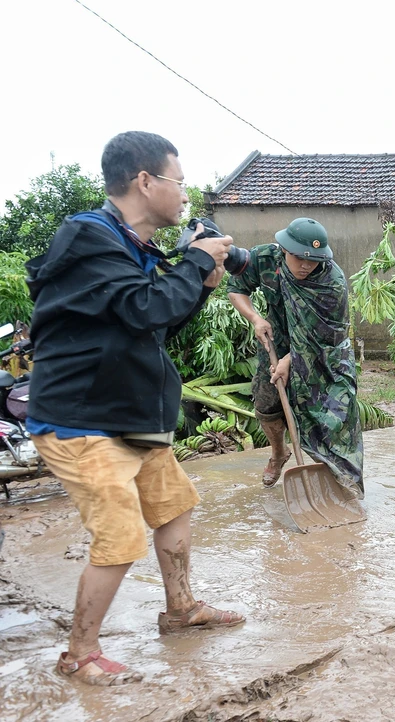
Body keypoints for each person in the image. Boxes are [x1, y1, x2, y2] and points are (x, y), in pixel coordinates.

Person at [24, 131, 244, 686]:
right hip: (82, 419)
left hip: (125, 413)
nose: (186, 193)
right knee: (120, 534)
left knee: (174, 504)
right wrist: (193, 262)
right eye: (179, 180)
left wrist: (199, 280)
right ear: (145, 181)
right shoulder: (88, 237)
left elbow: (159, 321)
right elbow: (146, 309)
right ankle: (80, 651)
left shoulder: (133, 247)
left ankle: (180, 608)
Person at [228, 218, 364, 497]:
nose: (305, 265)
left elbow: (328, 337)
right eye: (298, 258)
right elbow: (236, 288)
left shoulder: (332, 284)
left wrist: (291, 360)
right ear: (283, 249)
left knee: (333, 416)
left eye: (312, 260)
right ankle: (279, 453)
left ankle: (337, 478)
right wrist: (255, 318)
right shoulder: (265, 259)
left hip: (324, 354)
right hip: (275, 343)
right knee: (267, 405)